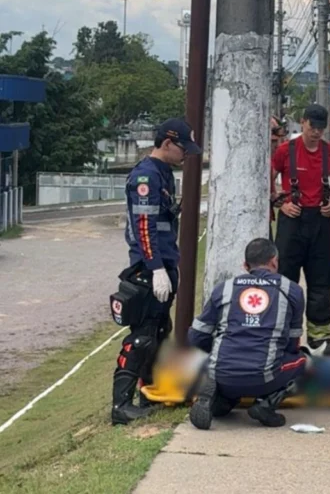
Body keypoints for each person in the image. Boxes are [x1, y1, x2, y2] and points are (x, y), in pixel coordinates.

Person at [112, 118, 202, 425]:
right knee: (143, 336)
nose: (186, 155)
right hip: (150, 266)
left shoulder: (164, 174)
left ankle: (149, 392)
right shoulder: (147, 177)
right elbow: (144, 228)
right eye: (183, 149)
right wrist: (156, 269)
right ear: (167, 144)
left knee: (159, 331)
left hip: (164, 262)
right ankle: (120, 405)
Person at [187, 238, 309, 429]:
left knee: (213, 361)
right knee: (302, 361)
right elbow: (293, 343)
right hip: (264, 377)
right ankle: (265, 404)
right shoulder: (292, 290)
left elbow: (196, 336)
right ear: (274, 261)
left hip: (222, 373)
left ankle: (220, 397)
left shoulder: (224, 288)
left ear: (245, 265)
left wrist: (214, 354)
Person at [271, 104, 330, 357]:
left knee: (321, 279)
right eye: (313, 127)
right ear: (303, 123)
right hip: (292, 221)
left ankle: (319, 337)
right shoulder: (285, 151)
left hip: (320, 223)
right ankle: (285, 336)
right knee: (285, 279)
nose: (316, 133)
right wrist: (281, 203)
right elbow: (267, 181)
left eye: (321, 129)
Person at [268, 116, 289, 240]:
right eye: (273, 141)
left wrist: (274, 197)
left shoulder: (270, 162)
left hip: (267, 220)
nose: (277, 145)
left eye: (278, 141)